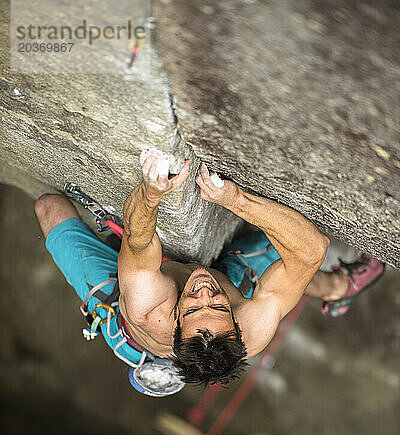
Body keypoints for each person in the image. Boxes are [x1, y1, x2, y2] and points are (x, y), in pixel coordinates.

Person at [34, 149, 385, 387]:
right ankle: (340, 289)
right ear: (236, 322)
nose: (204, 290)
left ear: (175, 320)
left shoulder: (147, 306)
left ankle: (154, 372)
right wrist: (233, 199)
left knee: (49, 208)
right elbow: (311, 252)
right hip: (194, 297)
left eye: (195, 306)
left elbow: (139, 240)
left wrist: (152, 192)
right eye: (219, 305)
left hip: (123, 315)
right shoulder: (253, 327)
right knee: (269, 252)